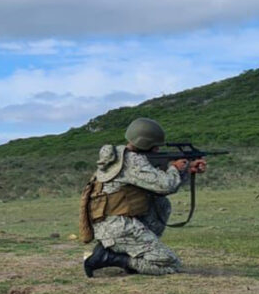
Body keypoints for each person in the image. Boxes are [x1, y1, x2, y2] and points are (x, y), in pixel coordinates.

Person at [81, 118, 204, 277]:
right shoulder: (133, 161)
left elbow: (158, 189)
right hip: (118, 226)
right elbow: (166, 185)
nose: (158, 149)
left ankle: (122, 251)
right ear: (146, 143)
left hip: (111, 223)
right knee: (170, 265)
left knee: (160, 202)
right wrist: (174, 168)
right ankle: (112, 258)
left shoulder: (120, 156)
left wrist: (186, 171)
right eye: (156, 145)